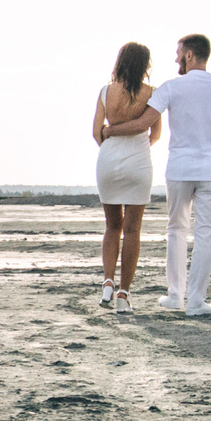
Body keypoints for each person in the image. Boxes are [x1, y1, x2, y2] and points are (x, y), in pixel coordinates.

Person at [102, 33, 211, 315]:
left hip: (179, 169)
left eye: (179, 54)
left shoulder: (171, 88)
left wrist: (110, 131)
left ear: (189, 55)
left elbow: (144, 122)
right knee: (205, 235)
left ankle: (176, 295)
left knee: (176, 230)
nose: (176, 59)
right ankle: (197, 302)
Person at [89, 42, 157, 315]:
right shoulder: (151, 94)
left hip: (108, 162)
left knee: (111, 226)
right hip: (138, 163)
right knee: (132, 229)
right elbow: (155, 134)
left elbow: (97, 132)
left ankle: (107, 281)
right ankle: (123, 295)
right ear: (145, 65)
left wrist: (111, 142)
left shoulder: (106, 92)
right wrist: (136, 150)